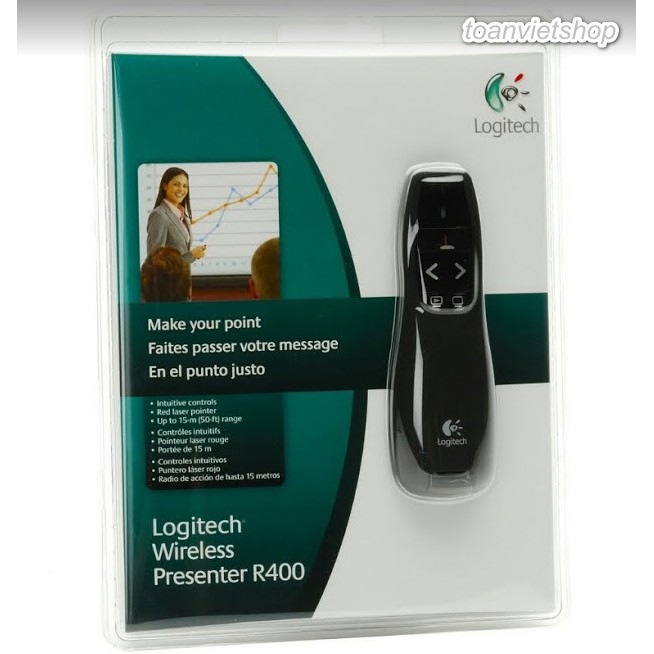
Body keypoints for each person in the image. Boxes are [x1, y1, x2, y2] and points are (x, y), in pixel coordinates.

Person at [146, 167, 207, 263]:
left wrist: (192, 255)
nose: (181, 189)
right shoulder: (159, 215)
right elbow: (155, 262)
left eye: (185, 186)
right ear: (165, 186)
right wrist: (191, 255)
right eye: (176, 184)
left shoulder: (182, 216)